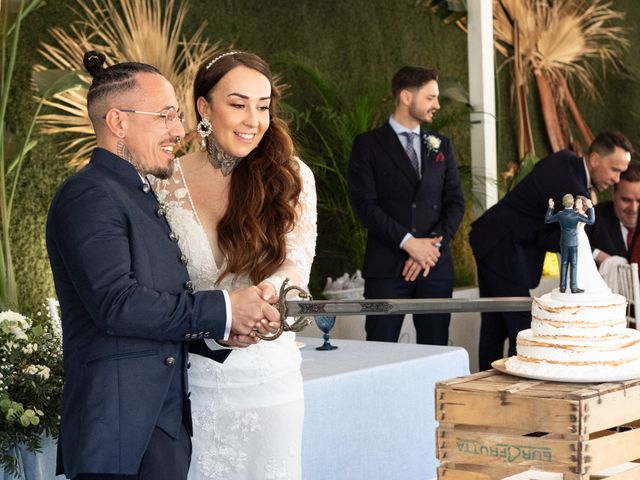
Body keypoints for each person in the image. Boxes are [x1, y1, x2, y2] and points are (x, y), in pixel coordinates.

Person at [46, 51, 281, 480]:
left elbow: (157, 306)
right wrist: (224, 309)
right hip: (118, 436)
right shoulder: (90, 195)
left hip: (159, 431)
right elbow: (117, 305)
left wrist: (219, 333)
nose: (179, 130)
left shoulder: (138, 193)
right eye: (165, 117)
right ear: (118, 122)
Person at [152, 50, 317, 480]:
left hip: (269, 379)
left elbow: (296, 266)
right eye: (238, 104)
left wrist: (270, 295)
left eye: (263, 107)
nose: (253, 120)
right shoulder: (161, 183)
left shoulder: (291, 176)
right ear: (204, 107)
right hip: (191, 385)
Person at [470, 131, 633, 370]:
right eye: (615, 169)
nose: (617, 179)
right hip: (501, 248)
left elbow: (549, 234)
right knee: (520, 328)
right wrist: (601, 257)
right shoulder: (572, 181)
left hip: (494, 243)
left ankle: (489, 387)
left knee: (496, 325)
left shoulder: (567, 164)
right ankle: (520, 387)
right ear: (596, 159)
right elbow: (575, 234)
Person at [348, 66, 465, 345]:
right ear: (405, 97)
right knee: (380, 351)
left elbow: (455, 202)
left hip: (433, 269)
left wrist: (430, 248)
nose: (437, 105)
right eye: (430, 97)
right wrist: (409, 243)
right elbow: (366, 205)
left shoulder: (442, 146)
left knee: (436, 351)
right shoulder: (367, 145)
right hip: (386, 268)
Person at [586, 162, 640, 265]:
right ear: (613, 194)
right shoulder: (593, 216)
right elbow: (562, 238)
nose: (634, 208)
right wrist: (597, 255)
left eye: (639, 201)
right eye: (626, 200)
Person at [545, 194, 595, 293]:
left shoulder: (560, 214)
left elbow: (548, 219)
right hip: (574, 242)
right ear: (572, 203)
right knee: (574, 264)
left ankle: (562, 287)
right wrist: (590, 207)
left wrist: (551, 207)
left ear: (563, 203)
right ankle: (574, 287)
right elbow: (591, 221)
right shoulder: (577, 215)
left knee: (564, 264)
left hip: (564, 241)